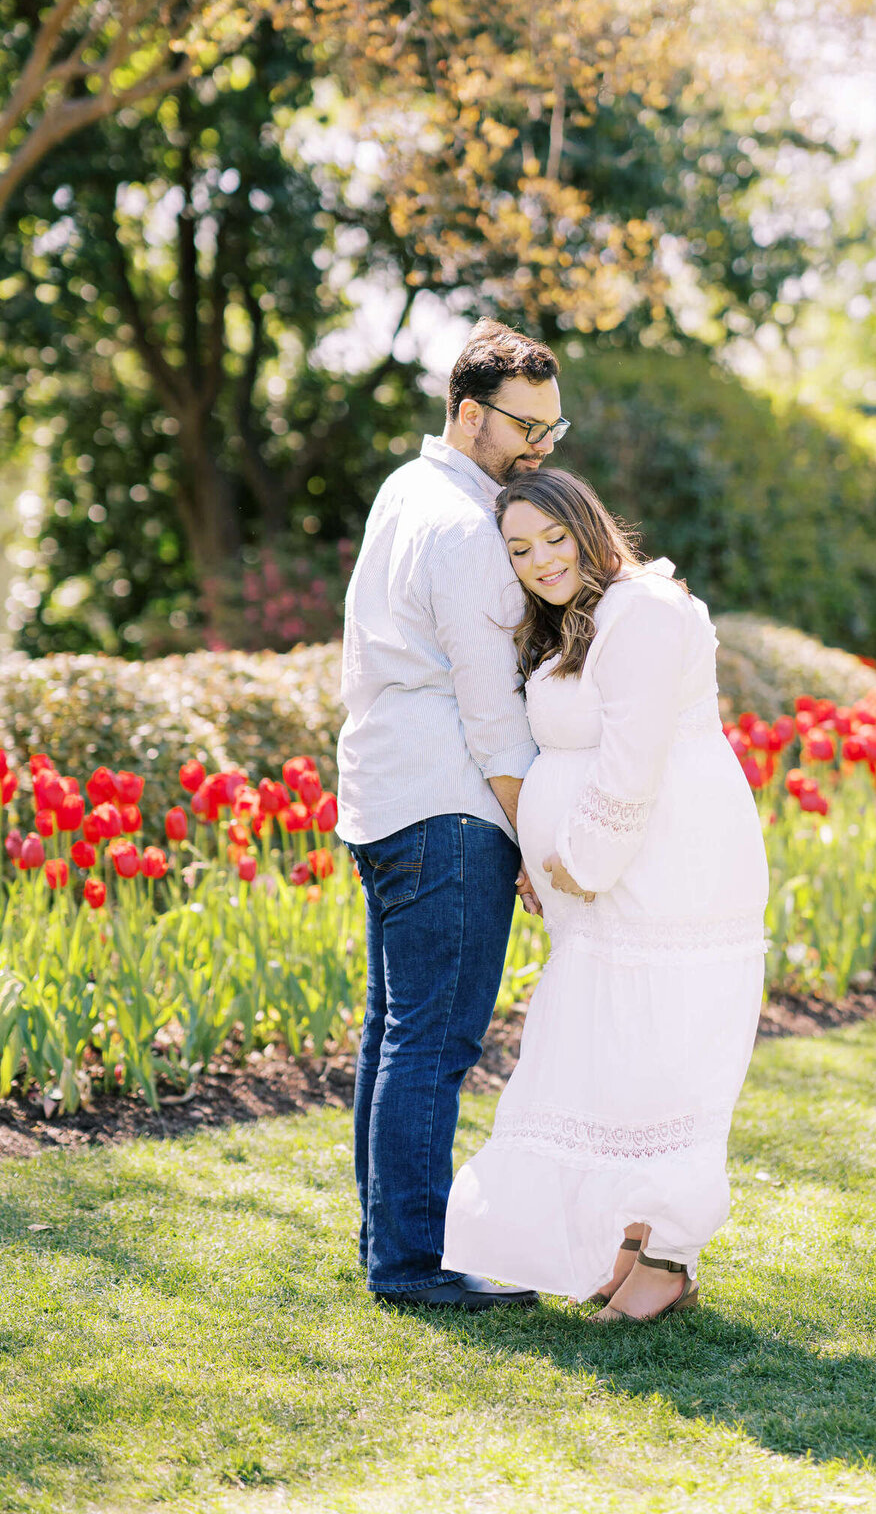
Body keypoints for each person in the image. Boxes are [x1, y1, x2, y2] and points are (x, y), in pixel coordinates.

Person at [443, 468, 768, 1322]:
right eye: (520, 550)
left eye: (554, 538)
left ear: (590, 527)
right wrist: (547, 854)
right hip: (605, 890)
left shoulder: (643, 610)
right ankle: (633, 1239)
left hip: (667, 871)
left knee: (669, 1054)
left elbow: (634, 760)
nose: (541, 560)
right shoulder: (578, 623)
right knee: (616, 1054)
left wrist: (579, 861)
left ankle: (668, 1254)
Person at [337, 319, 572, 1309]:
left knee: (395, 1031)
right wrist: (538, 839)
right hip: (451, 807)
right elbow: (491, 717)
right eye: (526, 428)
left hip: (383, 798)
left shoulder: (405, 487)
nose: (540, 451)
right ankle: (410, 1264)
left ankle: (389, 1248)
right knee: (431, 1044)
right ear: (469, 412)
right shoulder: (475, 526)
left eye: (554, 432)